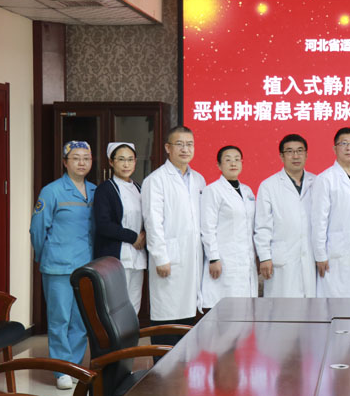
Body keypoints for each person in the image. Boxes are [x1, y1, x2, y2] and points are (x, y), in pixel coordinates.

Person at [29, 140, 96, 390]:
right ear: (65, 162)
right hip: (58, 267)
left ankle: (74, 365)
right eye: (76, 158)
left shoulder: (95, 191)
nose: (82, 163)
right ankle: (61, 370)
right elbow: (37, 230)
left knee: (81, 320)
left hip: (86, 268)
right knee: (59, 320)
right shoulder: (52, 191)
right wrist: (44, 255)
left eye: (86, 158)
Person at [142, 125, 206, 349]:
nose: (185, 149)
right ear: (168, 148)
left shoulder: (199, 179)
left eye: (189, 144)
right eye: (179, 144)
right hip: (169, 259)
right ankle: (162, 368)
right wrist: (160, 257)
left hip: (192, 259)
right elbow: (153, 221)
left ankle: (183, 368)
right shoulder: (156, 180)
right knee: (167, 319)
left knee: (188, 320)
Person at [311, 127, 350, 298]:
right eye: (343, 143)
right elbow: (318, 221)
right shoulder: (325, 179)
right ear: (334, 148)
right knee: (336, 305)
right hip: (335, 254)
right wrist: (320, 255)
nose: (349, 147)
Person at [255, 134, 317, 298]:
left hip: (310, 259)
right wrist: (264, 257)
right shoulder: (268, 186)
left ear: (306, 154)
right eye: (289, 151)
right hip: (282, 260)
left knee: (312, 308)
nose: (295, 156)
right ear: (281, 156)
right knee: (281, 308)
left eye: (300, 151)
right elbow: (262, 226)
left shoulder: (317, 182)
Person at [200, 145, 258, 305]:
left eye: (237, 159)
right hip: (224, 259)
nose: (233, 163)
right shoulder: (213, 190)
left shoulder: (247, 191)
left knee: (247, 308)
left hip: (246, 259)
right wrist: (213, 258)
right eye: (228, 160)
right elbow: (207, 228)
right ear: (219, 165)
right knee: (226, 308)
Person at [93, 142, 146, 314]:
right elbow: (103, 224)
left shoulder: (139, 188)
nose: (126, 164)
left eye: (130, 160)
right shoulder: (105, 189)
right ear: (111, 162)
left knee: (134, 306)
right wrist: (133, 237)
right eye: (121, 159)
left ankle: (131, 333)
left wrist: (144, 234)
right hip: (116, 256)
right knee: (115, 308)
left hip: (137, 256)